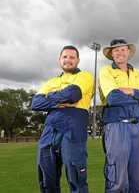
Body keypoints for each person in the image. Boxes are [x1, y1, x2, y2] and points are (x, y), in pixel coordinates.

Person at [31, 45, 94, 193]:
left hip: (73, 127)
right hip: (50, 129)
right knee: (47, 178)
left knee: (76, 178)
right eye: (65, 57)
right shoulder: (51, 81)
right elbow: (35, 103)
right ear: (59, 59)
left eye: (72, 57)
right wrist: (61, 100)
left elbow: (73, 95)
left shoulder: (85, 76)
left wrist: (51, 97)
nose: (68, 60)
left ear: (78, 60)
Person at [99, 39, 139, 193]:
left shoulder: (138, 73)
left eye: (123, 49)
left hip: (137, 127)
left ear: (128, 52)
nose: (120, 53)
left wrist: (131, 91)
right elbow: (113, 98)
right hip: (116, 125)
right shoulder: (106, 71)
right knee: (117, 175)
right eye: (116, 50)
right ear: (111, 54)